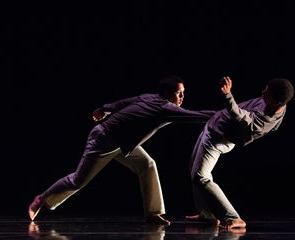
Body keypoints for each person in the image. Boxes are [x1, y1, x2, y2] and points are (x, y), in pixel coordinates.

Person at [28, 75, 217, 224]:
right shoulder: (164, 108)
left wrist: (106, 108)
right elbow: (196, 115)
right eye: (178, 93)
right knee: (79, 180)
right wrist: (224, 115)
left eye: (183, 93)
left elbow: (124, 102)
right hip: (104, 140)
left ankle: (152, 214)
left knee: (148, 164)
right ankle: (42, 200)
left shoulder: (149, 97)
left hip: (122, 144)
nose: (182, 97)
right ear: (167, 93)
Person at [187, 76, 294, 229]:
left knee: (200, 177)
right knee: (194, 172)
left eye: (267, 93)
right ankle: (207, 214)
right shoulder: (277, 103)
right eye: (265, 89)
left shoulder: (263, 121)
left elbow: (239, 115)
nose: (262, 93)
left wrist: (227, 94)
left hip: (218, 139)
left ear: (277, 102)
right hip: (214, 127)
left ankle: (233, 217)